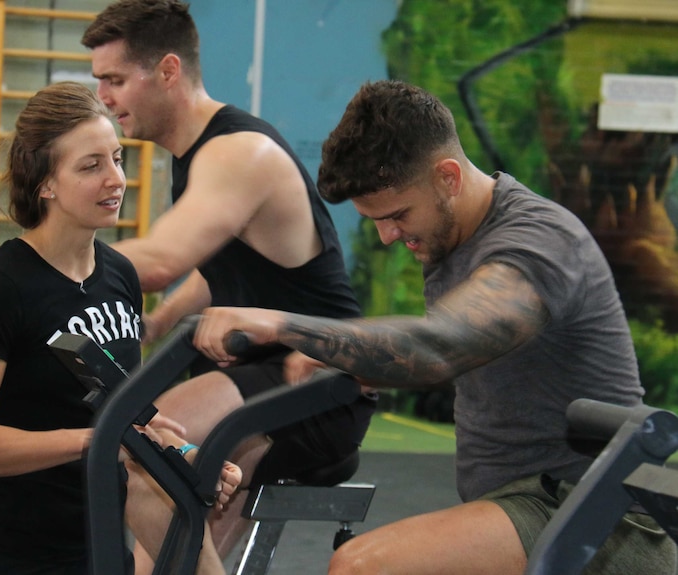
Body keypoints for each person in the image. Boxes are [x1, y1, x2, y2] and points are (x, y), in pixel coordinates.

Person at [0, 0, 377, 568]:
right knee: (143, 439)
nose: (105, 97)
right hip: (249, 367)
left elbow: (164, 259)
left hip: (315, 379)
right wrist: (161, 320)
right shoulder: (201, 153)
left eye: (116, 79)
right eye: (101, 81)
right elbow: (219, 259)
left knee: (143, 448)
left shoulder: (237, 152)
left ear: (168, 71)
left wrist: (27, 266)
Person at [192, 80, 678, 575]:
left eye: (397, 214)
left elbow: (439, 347)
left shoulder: (536, 242)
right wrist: (342, 352)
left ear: (447, 177)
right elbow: (452, 347)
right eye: (375, 221)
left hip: (597, 514)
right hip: (523, 504)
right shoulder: (456, 239)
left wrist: (285, 325)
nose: (387, 235)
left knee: (363, 567)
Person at [0, 81, 239, 575]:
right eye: (91, 166)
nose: (115, 178)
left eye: (117, 158)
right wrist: (93, 441)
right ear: (45, 183)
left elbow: (119, 411)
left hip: (99, 551)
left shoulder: (120, 276)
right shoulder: (2, 287)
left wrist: (184, 454)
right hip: (19, 558)